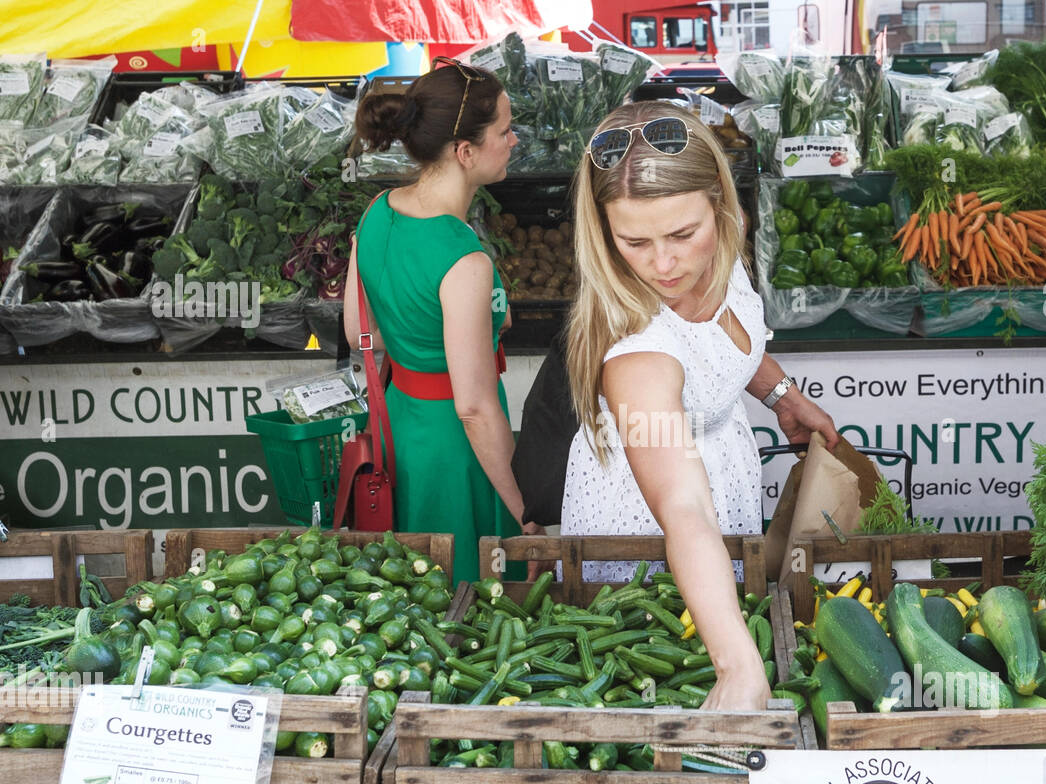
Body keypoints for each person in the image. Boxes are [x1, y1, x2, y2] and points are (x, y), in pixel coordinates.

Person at [562, 102, 840, 711]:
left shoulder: (725, 249)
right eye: (633, 241)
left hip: (724, 480)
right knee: (658, 658)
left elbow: (723, 333)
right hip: (648, 525)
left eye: (682, 235)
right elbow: (684, 507)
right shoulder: (637, 355)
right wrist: (737, 667)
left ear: (722, 206)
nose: (664, 264)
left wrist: (781, 396)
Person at [344, 59, 541, 584]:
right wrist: (524, 510)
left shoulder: (377, 211)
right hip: (456, 453)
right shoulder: (464, 259)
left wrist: (427, 333)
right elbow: (474, 408)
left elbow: (361, 333)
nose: (514, 140)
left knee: (413, 593)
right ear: (465, 151)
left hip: (400, 431)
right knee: (471, 600)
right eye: (504, 129)